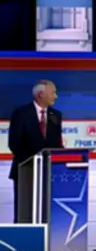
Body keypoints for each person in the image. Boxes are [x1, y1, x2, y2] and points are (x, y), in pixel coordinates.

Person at [8, 81, 64, 220]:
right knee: (24, 212)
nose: (55, 96)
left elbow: (56, 145)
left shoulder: (56, 115)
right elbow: (14, 143)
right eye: (53, 93)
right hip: (25, 171)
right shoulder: (21, 113)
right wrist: (34, 162)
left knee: (47, 212)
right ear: (41, 94)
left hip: (49, 173)